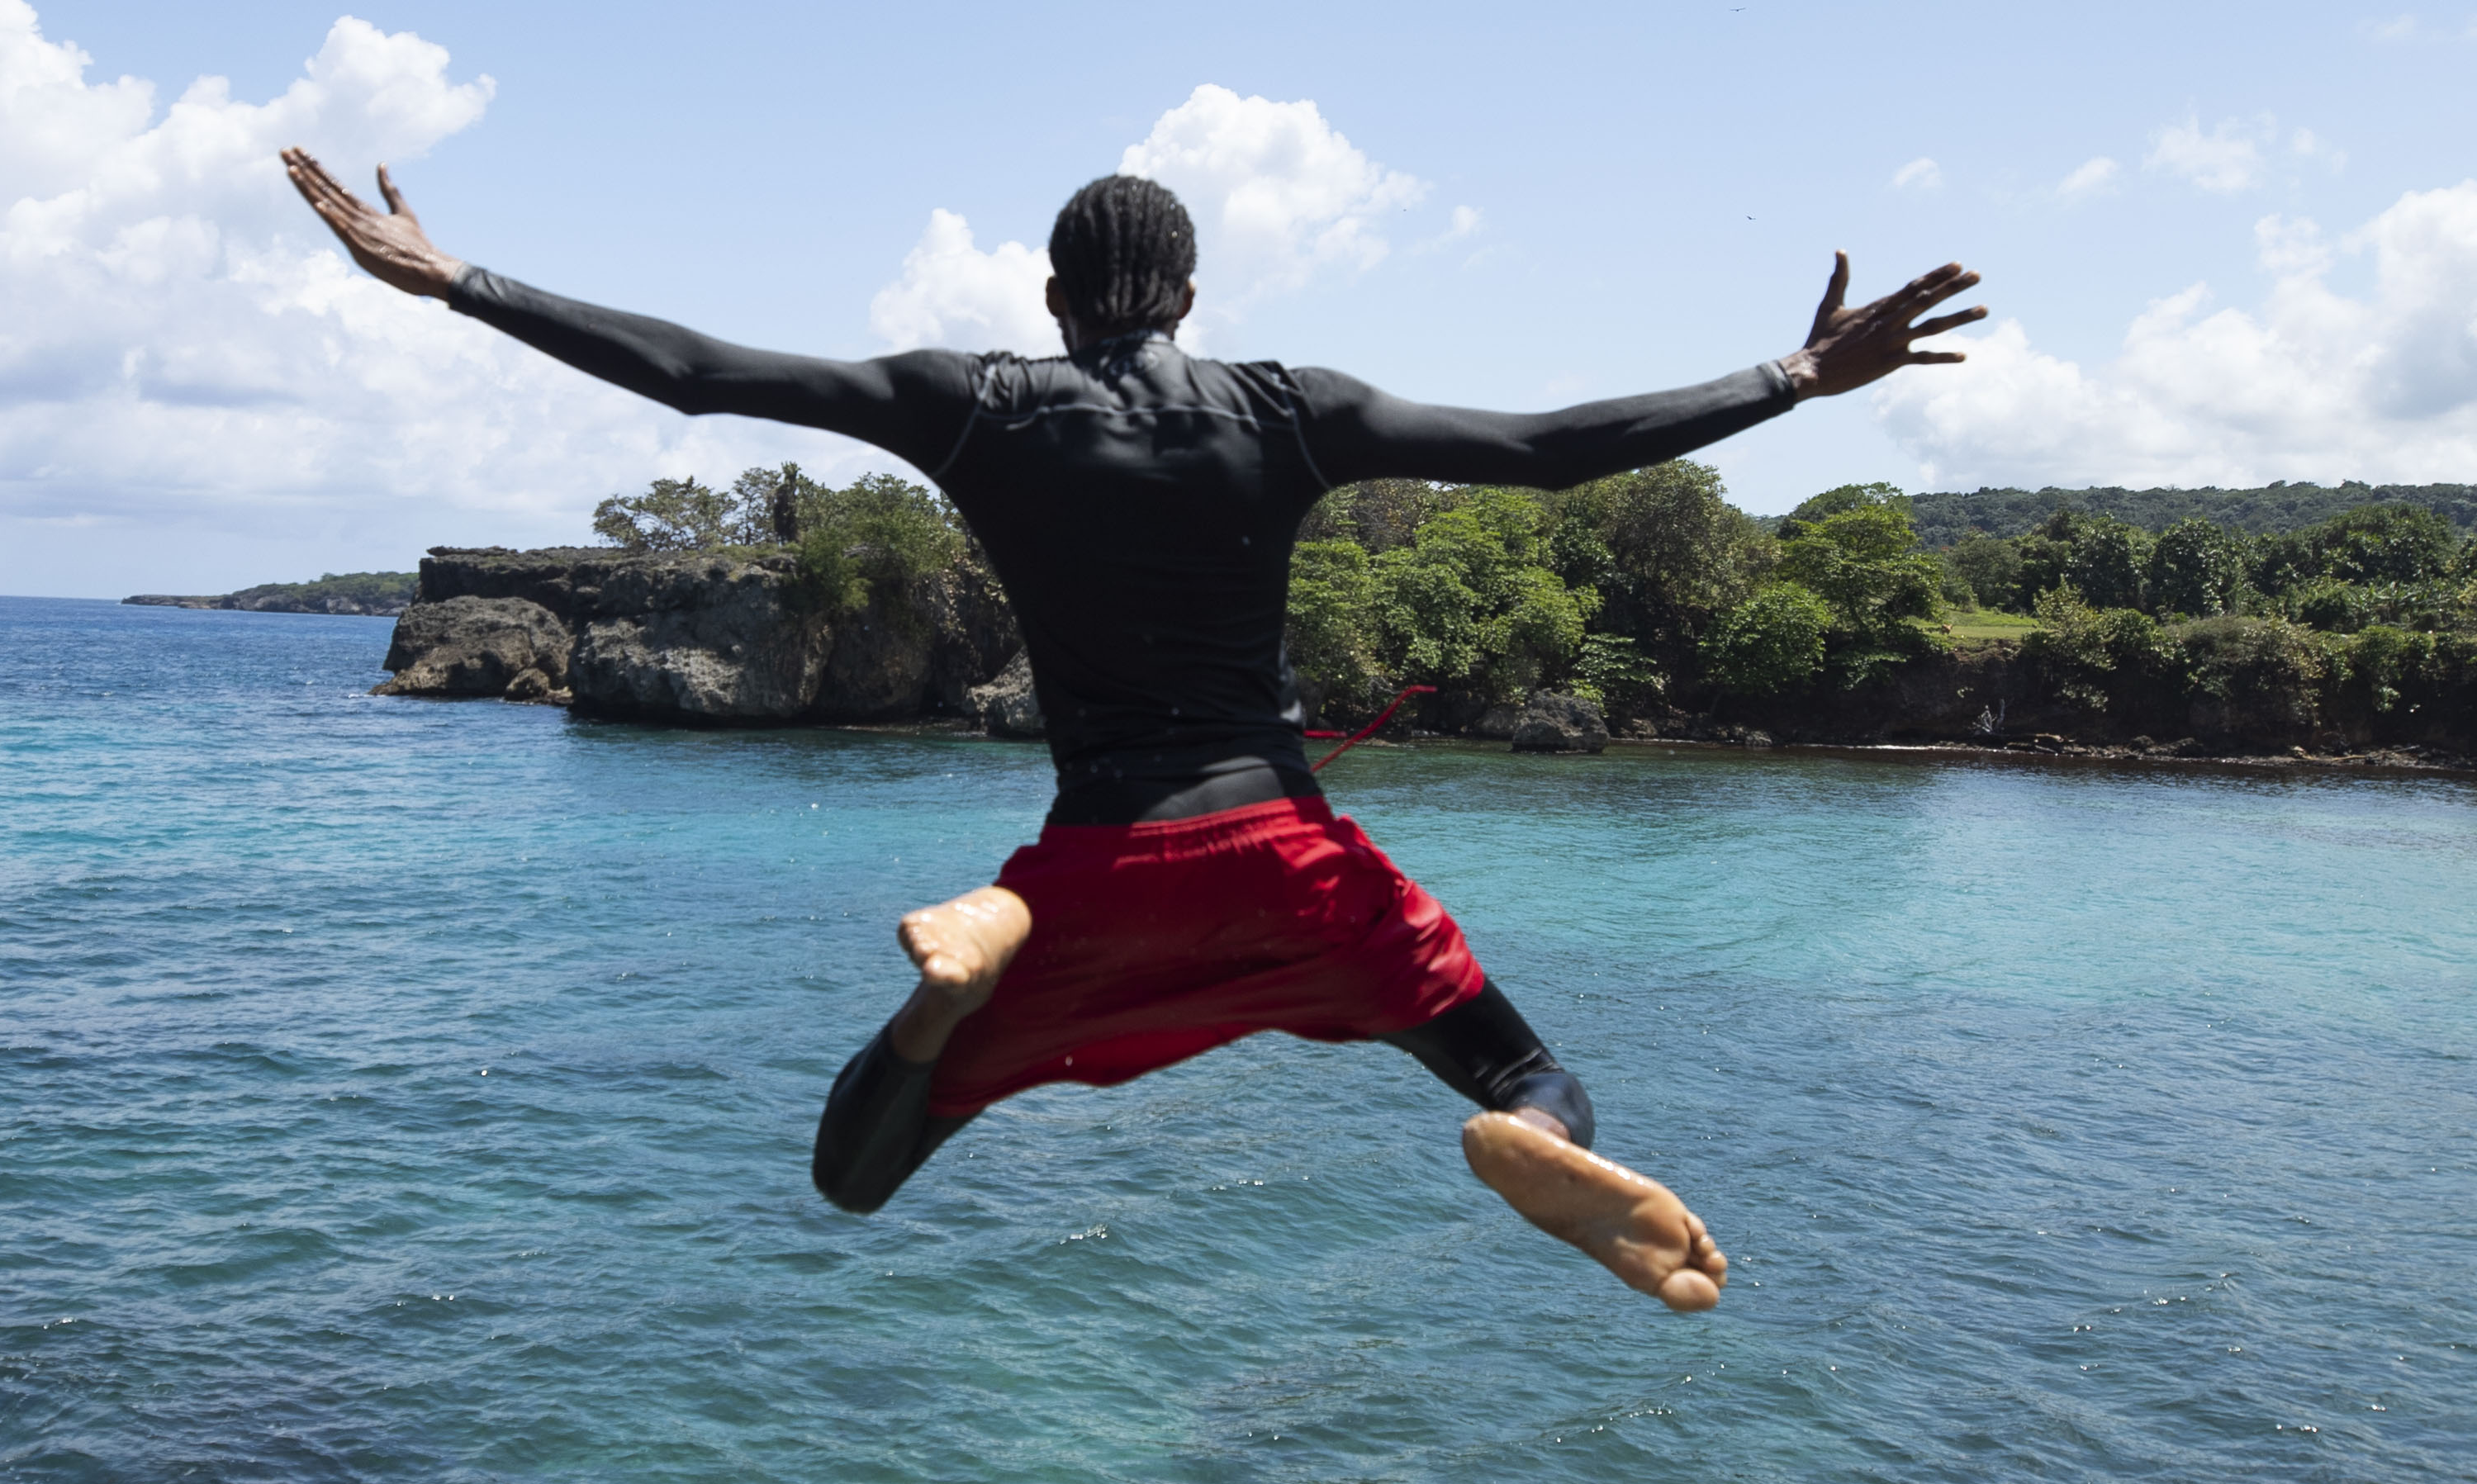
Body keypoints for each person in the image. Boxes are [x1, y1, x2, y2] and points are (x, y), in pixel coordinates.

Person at [282, 145, 1979, 1311]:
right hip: (1291, 851)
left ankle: (947, 994)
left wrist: (457, 279)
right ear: (1187, 291)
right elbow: (1547, 446)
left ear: (1051, 294)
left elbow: (704, 374)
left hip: (1093, 864)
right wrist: (1787, 378)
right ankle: (1534, 1155)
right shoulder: (1286, 407)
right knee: (1525, 1070)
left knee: (856, 1172)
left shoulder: (976, 404)